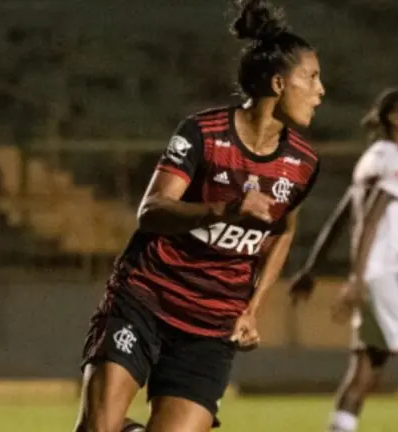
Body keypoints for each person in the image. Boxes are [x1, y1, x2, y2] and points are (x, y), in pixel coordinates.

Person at [74, 1, 324, 430]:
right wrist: (224, 210)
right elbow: (151, 211)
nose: (321, 91)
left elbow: (282, 232)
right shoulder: (203, 134)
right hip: (146, 299)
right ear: (280, 83)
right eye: (313, 78)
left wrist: (253, 311)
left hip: (212, 327)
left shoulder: (303, 164)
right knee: (98, 427)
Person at [289, 88, 398, 432]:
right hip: (392, 274)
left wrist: (311, 269)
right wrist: (357, 278)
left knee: (366, 369)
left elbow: (342, 216)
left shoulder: (371, 159)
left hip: (374, 279)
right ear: (395, 118)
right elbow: (372, 217)